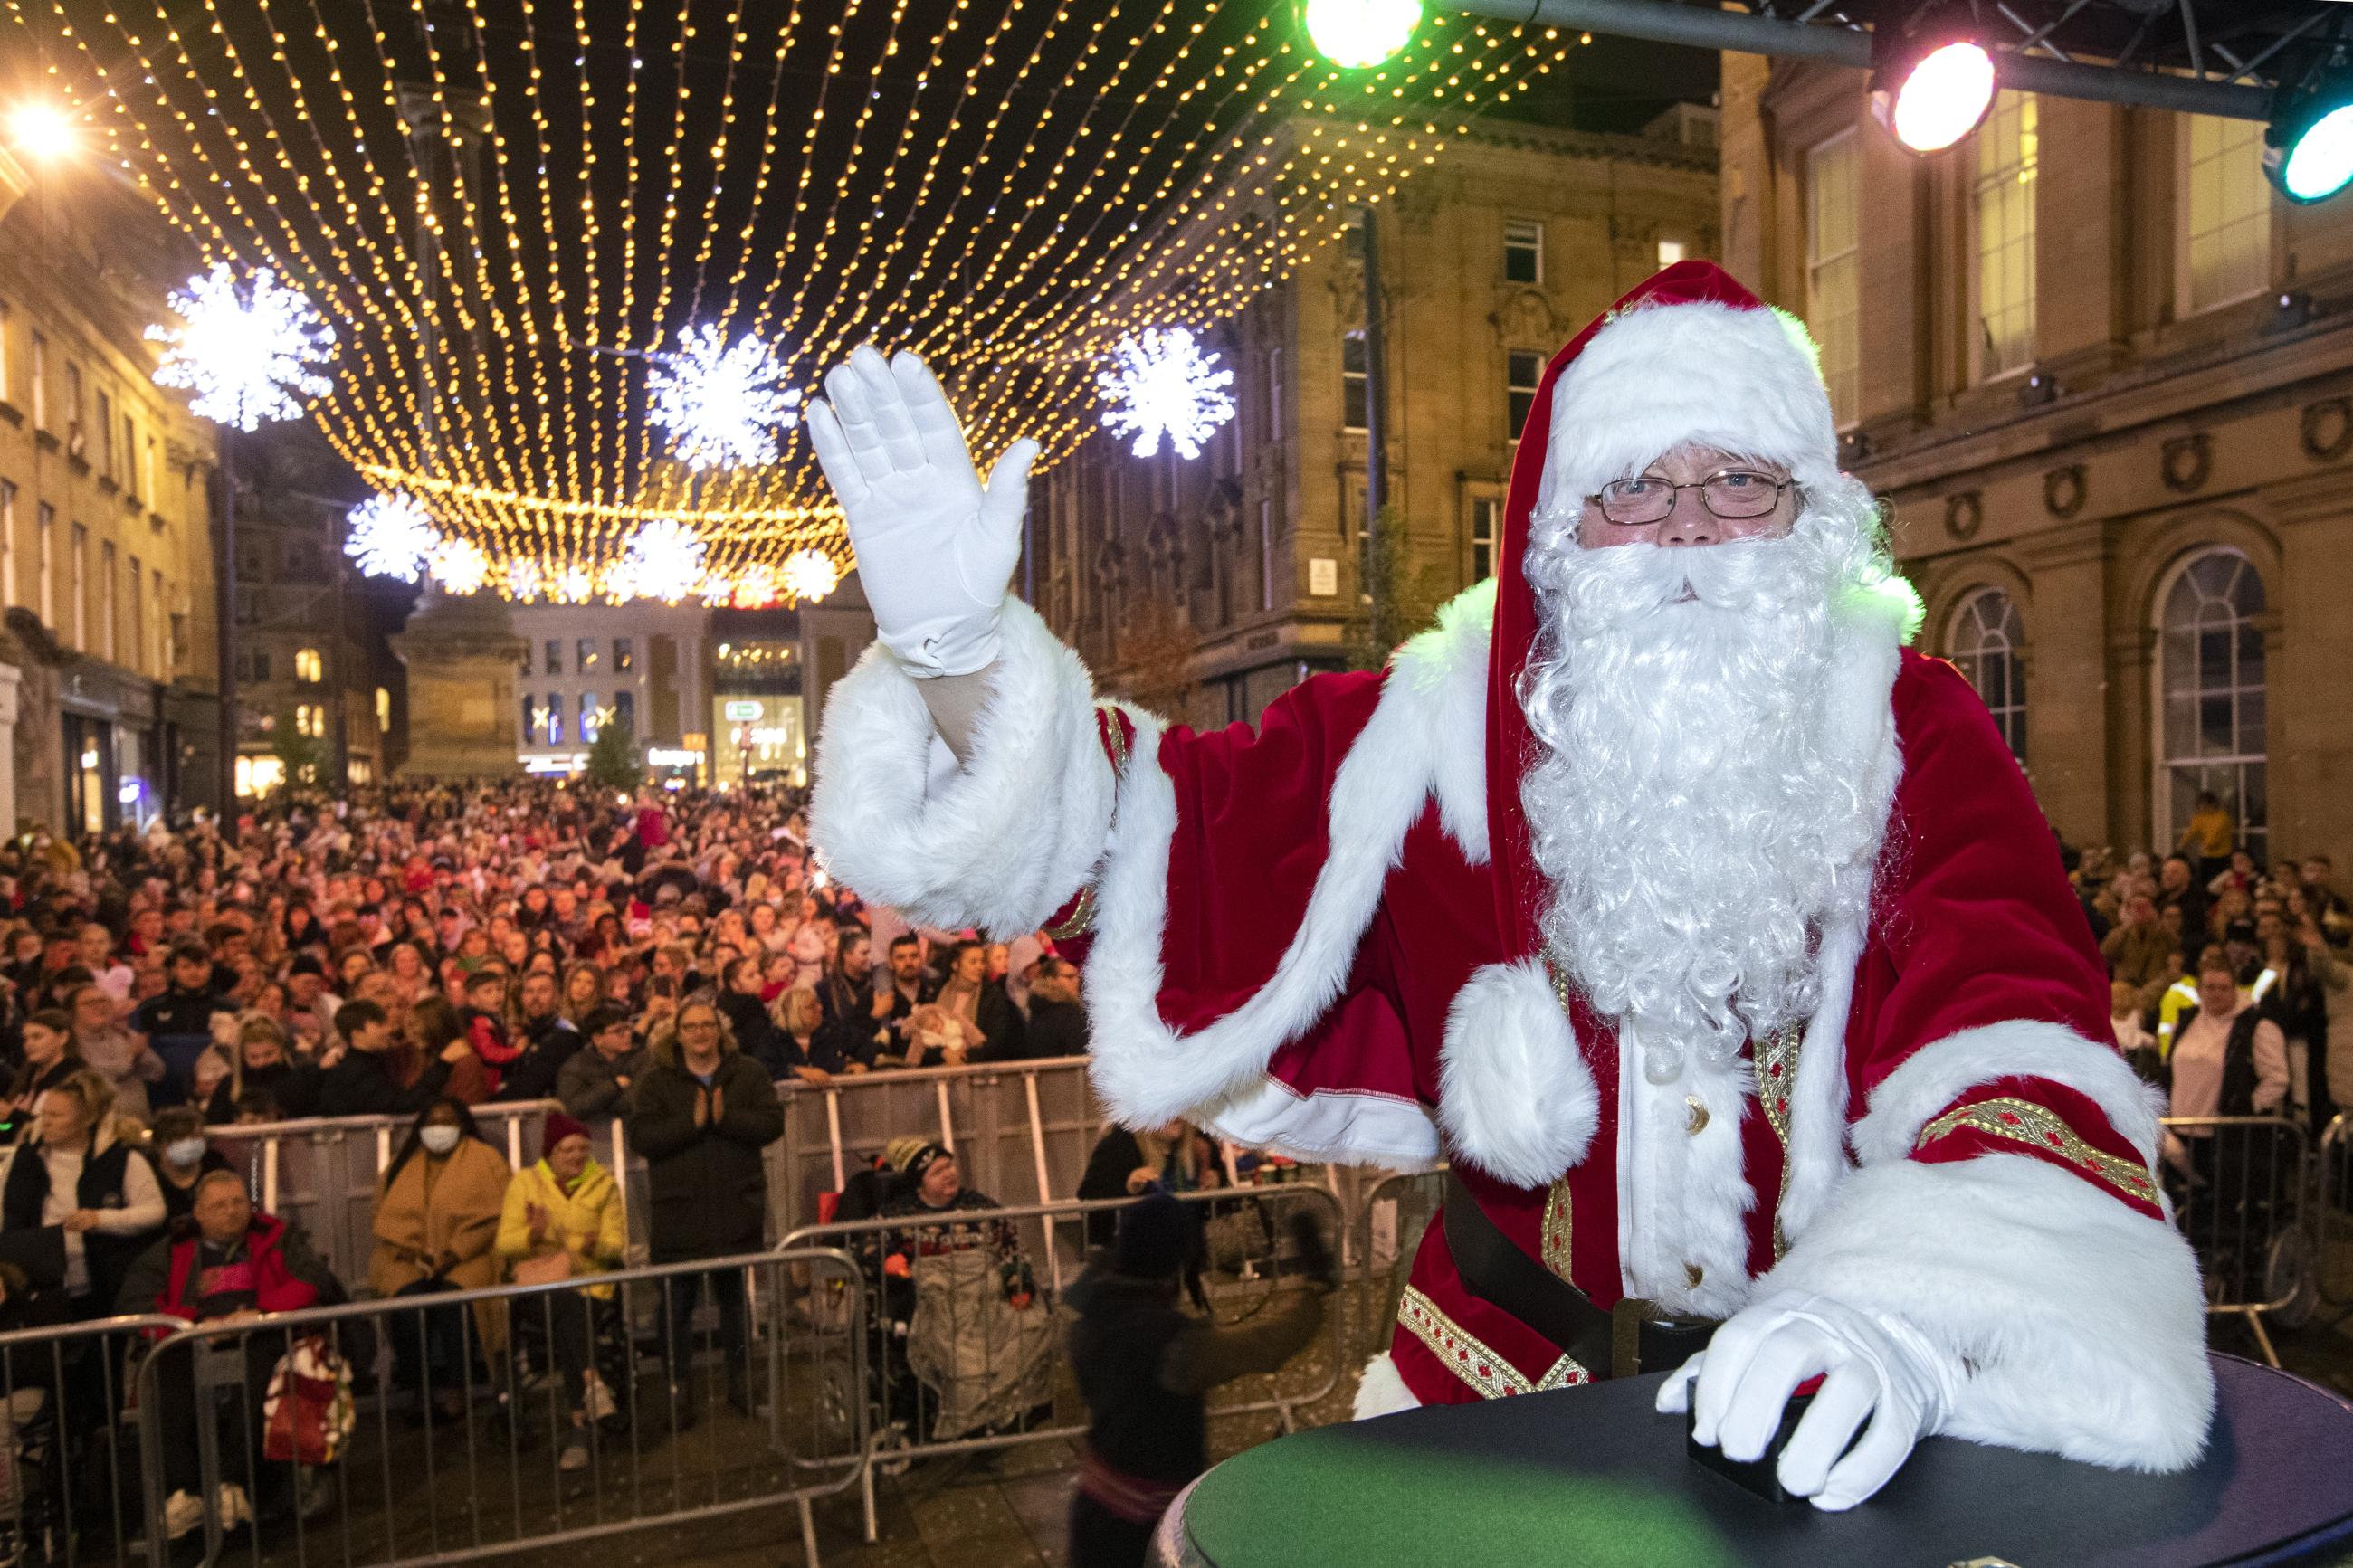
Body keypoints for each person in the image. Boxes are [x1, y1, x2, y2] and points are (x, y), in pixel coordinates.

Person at [806, 262, 2211, 1509]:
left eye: (1741, 483)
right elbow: (1145, 837)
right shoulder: (1432, 738)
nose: (1689, 535)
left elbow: (2013, 1023)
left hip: (1839, 1397)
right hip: (1499, 1389)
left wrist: (1914, 1315)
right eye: (1636, 490)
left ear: (1809, 515)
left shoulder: (1913, 728)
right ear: (1561, 525)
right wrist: (950, 649)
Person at [1065, 1193, 1332, 1567]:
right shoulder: (1169, 1343)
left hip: (1094, 1514)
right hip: (1145, 1529)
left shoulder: (1094, 1310)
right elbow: (1264, 1343)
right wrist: (1314, 1291)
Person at [116, 1169, 340, 1537]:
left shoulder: (277, 1237)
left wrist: (262, 1313)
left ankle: (234, 1485)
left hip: (262, 1333)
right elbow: (138, 1302)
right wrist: (195, 1325)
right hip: (192, 1338)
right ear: (199, 1213)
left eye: (239, 1202)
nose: (232, 1211)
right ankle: (184, 1494)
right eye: (220, 1205)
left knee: (264, 1363)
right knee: (164, 1369)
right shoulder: (172, 1249)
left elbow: (312, 1281)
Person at [626, 998, 782, 1426]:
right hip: (681, 1211)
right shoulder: (656, 1081)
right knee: (676, 1307)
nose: (699, 1033)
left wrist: (724, 1118)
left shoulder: (747, 1072)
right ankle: (679, 1390)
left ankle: (741, 1384)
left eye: (706, 1025)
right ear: (678, 1034)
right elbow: (642, 1137)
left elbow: (772, 1124)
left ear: (719, 1030)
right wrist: (691, 1125)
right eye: (691, 1026)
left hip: (735, 1206)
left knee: (735, 1305)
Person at [496, 1111, 625, 1473]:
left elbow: (616, 1245)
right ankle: (592, 1386)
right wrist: (532, 1236)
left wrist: (594, 1246)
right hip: (539, 1288)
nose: (576, 1155)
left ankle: (578, 1425)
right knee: (566, 1305)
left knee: (571, 1310)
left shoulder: (604, 1184)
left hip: (591, 1287)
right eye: (568, 1149)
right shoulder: (525, 1183)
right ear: (551, 1152)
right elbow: (504, 1245)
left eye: (583, 1148)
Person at [367, 1098, 510, 1423]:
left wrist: (456, 1252)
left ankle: (458, 1388)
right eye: (432, 1123)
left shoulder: (485, 1159)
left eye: (447, 1123)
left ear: (461, 1125)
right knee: (406, 1303)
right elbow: (381, 1213)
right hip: (408, 1257)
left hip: (468, 1254)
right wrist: (410, 1250)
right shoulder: (403, 1164)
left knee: (456, 1302)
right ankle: (419, 1390)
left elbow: (498, 1214)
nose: (439, 1130)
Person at [0, 1069, 167, 1316]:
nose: (46, 1122)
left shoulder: (120, 1159)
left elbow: (154, 1210)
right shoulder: (22, 1160)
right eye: (44, 1114)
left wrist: (100, 1219)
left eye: (56, 1115)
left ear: (87, 1119)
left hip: (102, 1283)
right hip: (36, 1287)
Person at [1078, 1118, 1220, 1250]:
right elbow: (1093, 1209)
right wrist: (1129, 1191)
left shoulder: (1197, 1141)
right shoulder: (1119, 1146)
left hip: (1187, 1259)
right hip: (1139, 1263)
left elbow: (1223, 1198)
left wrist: (1216, 1179)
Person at [68, 982, 165, 1125]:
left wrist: (141, 1055)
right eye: (90, 1003)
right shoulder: (70, 1044)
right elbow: (102, 1079)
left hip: (138, 1123)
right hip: (99, 1125)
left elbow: (158, 1071)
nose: (100, 1007)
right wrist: (132, 1056)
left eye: (104, 1001)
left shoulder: (124, 1035)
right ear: (71, 1011)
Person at [0, 1009, 81, 1143]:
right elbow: (8, 1127)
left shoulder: (74, 1077)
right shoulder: (28, 1074)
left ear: (63, 1037)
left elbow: (61, 1127)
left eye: (37, 1037)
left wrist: (10, 1114)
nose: (28, 1044)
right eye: (25, 1039)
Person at [145, 1106, 233, 1225]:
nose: (189, 1144)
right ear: (160, 1145)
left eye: (196, 1137)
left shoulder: (215, 1163)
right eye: (180, 1138)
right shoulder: (145, 1171)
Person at [555, 1006, 648, 1119]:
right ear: (598, 1039)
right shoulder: (575, 1067)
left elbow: (638, 1100)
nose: (627, 1034)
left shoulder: (641, 1058)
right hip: (591, 1132)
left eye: (628, 1028)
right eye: (618, 1031)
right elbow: (573, 1107)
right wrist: (614, 1086)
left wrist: (600, 1107)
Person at [1024, 957, 1090, 1060]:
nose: (1076, 981)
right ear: (1051, 980)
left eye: (1078, 976)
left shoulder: (1037, 1006)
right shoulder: (1068, 1014)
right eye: (1069, 977)